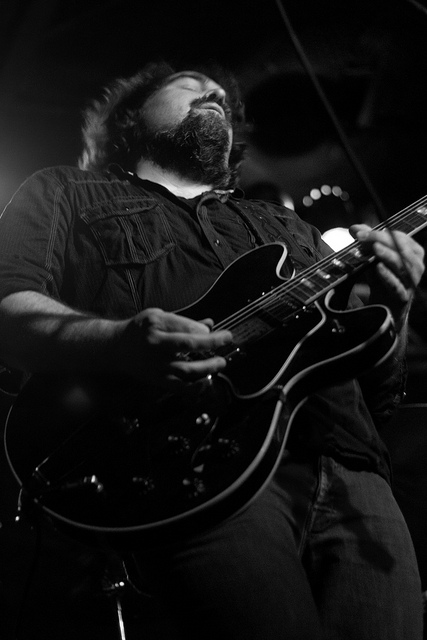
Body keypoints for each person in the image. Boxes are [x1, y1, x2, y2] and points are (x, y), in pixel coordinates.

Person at [0, 60, 425, 640]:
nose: (214, 95)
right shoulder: (65, 192)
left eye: (223, 97)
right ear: (131, 117)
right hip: (201, 469)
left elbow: (379, 396)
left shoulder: (286, 226)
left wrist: (394, 306)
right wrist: (119, 341)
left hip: (354, 476)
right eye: (189, 85)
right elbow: (9, 308)